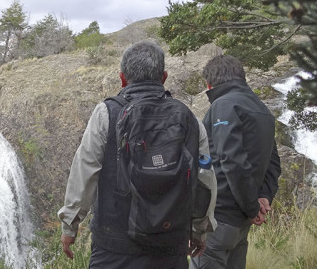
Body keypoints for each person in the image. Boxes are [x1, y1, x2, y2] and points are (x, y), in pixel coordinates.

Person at [57, 41, 216, 268]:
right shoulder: (189, 119)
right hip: (170, 245)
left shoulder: (106, 113)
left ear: (122, 78)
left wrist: (70, 225)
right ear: (164, 77)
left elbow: (85, 170)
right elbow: (204, 179)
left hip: (114, 246)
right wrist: (200, 230)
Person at [190, 55, 281, 269]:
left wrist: (252, 208)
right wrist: (263, 197)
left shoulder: (224, 105)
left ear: (209, 83)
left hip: (218, 220)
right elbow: (274, 162)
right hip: (240, 225)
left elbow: (232, 161)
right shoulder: (262, 109)